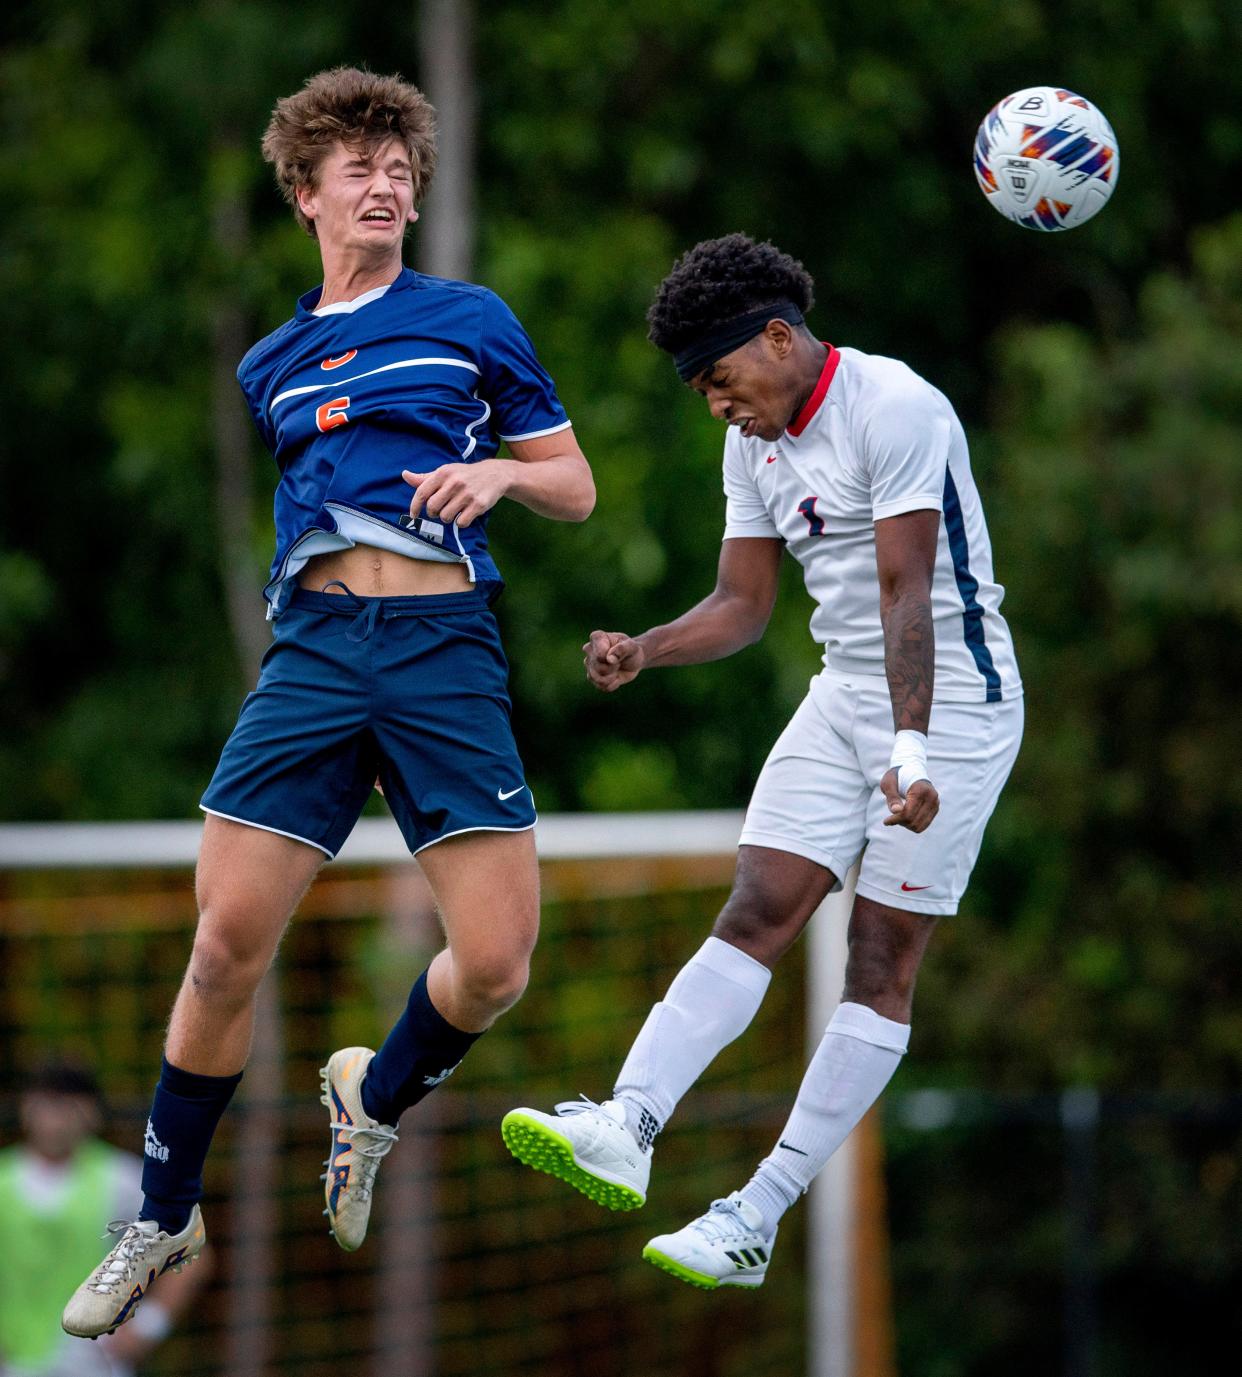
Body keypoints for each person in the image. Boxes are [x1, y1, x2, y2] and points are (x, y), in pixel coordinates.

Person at [63, 67, 594, 1339]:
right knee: (221, 944)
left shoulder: (471, 316)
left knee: (501, 962)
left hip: (440, 647)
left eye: (401, 167)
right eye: (357, 167)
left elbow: (571, 481)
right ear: (305, 194)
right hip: (314, 652)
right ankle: (164, 1210)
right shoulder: (271, 363)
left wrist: (497, 482)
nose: (385, 183)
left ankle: (376, 1098)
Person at [502, 233, 1022, 1289]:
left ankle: (757, 1212)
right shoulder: (754, 444)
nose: (716, 407)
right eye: (699, 389)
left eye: (721, 379)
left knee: (880, 962)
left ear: (780, 338)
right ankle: (629, 1122)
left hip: (956, 711)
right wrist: (647, 648)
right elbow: (744, 606)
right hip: (842, 697)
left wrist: (913, 754)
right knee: (757, 908)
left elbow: (904, 592)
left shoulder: (897, 407)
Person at [2, 1062, 207, 1374]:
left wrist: (148, 1327)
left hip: (97, 1364)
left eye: (67, 1105)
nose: (55, 1117)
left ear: (91, 1112)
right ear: (26, 1107)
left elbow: (191, 1249)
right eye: (47, 1103)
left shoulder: (122, 1178)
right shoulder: (4, 1181)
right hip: (17, 1364)